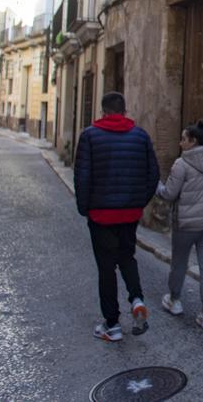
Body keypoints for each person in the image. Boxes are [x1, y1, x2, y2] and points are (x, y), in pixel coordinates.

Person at [74, 92, 160, 342]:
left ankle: (112, 324)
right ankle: (136, 299)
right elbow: (152, 174)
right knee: (127, 258)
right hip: (129, 213)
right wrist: (138, 202)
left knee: (106, 267)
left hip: (101, 214)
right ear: (124, 110)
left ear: (103, 111)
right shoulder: (141, 136)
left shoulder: (90, 136)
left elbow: (83, 176)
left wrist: (85, 207)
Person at [157, 120, 203, 331]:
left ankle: (175, 300)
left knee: (179, 262)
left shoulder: (182, 164)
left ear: (193, 141)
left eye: (183, 139)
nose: (180, 143)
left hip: (187, 224)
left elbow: (169, 194)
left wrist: (156, 186)